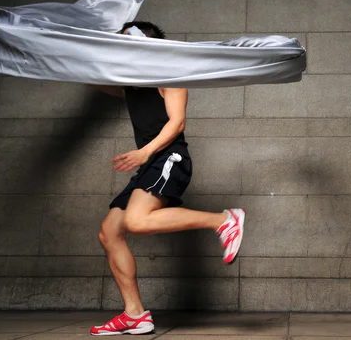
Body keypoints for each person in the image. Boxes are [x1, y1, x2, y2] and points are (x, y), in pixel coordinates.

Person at [89, 21, 245, 336]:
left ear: (147, 44)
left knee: (136, 222)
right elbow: (95, 80)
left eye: (127, 40)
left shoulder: (171, 75)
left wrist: (144, 153)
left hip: (168, 158)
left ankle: (224, 220)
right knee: (110, 233)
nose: (121, 46)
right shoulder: (130, 82)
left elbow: (177, 122)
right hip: (149, 162)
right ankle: (134, 314)